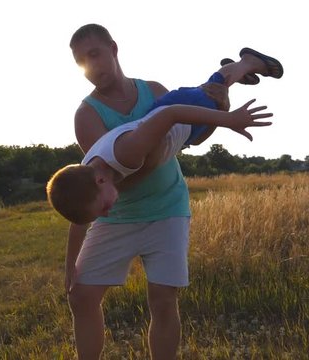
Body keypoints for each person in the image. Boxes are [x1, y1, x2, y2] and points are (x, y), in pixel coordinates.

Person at [64, 23, 282, 359]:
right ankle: (239, 67)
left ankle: (243, 65)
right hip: (118, 217)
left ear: (113, 48)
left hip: (167, 207)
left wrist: (220, 117)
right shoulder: (88, 116)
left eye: (95, 54)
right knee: (81, 296)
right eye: (82, 60)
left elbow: (187, 137)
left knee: (164, 298)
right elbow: (94, 194)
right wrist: (69, 265)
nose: (91, 66)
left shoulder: (151, 90)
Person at [47, 98, 273, 224]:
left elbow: (172, 113)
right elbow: (80, 216)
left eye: (103, 208)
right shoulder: (88, 171)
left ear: (99, 181)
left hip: (186, 118)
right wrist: (71, 264)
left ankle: (244, 64)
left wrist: (230, 120)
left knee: (217, 91)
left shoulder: (125, 153)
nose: (107, 213)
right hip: (171, 130)